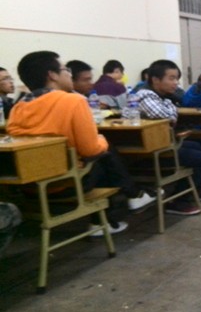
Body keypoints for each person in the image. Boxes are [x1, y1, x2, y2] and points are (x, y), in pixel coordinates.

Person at [7, 51, 156, 235]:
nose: (68, 74)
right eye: (65, 69)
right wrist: (101, 140)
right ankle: (108, 217)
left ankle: (131, 199)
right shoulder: (73, 101)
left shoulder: (18, 107)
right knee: (104, 153)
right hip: (67, 184)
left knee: (101, 153)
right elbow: (91, 150)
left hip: (29, 186)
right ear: (52, 75)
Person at [136, 59, 201, 214]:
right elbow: (167, 116)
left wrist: (170, 107)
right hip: (151, 153)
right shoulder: (145, 95)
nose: (176, 83)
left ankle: (200, 180)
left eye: (177, 78)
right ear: (155, 80)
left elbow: (173, 114)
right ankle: (178, 201)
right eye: (171, 78)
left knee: (196, 145)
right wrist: (171, 107)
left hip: (155, 144)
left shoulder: (161, 96)